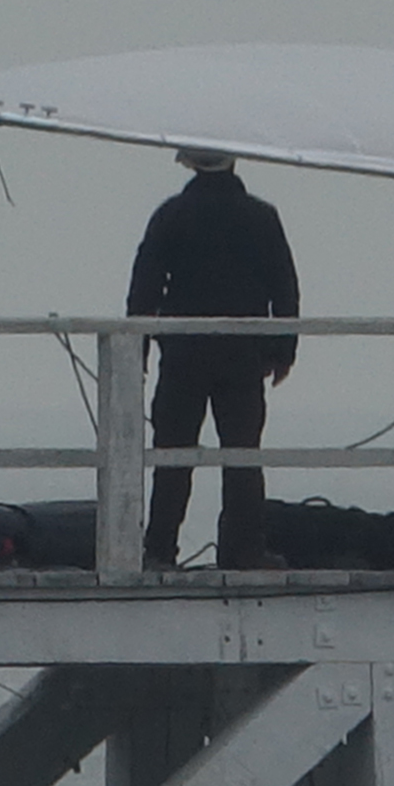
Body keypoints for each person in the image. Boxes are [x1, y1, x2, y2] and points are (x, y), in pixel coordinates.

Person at [128, 148, 300, 571]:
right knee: (242, 456)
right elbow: (285, 288)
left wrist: (139, 349)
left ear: (189, 164)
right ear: (235, 162)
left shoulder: (171, 214)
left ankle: (159, 550)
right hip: (244, 355)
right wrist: (283, 351)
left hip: (183, 354)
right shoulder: (262, 217)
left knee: (172, 456)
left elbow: (144, 289)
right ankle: (243, 549)